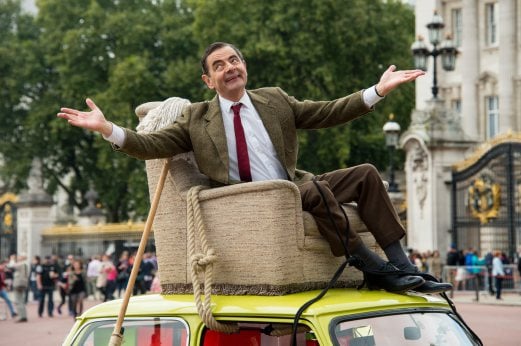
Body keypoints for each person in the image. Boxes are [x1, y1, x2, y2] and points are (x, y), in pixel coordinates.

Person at [58, 42, 451, 294]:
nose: (230, 67)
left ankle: (398, 263)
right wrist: (108, 129)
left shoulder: (274, 100)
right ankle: (371, 266)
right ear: (208, 80)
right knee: (310, 190)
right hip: (249, 201)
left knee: (364, 172)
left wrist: (377, 91)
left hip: (293, 187)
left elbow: (327, 112)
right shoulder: (197, 120)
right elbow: (149, 145)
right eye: (219, 65)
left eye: (235, 60)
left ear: (244, 66)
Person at [7, 254, 29, 322]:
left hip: (18, 283)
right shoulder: (25, 264)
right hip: (23, 283)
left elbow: (10, 266)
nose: (18, 257)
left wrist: (12, 259)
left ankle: (21, 316)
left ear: (22, 257)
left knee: (18, 300)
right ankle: (24, 316)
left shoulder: (21, 264)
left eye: (19, 256)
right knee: (21, 300)